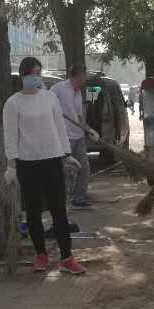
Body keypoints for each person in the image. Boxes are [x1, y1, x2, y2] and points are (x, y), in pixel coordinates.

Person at [4, 57, 87, 275]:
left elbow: (59, 128)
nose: (36, 78)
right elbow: (10, 136)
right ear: (23, 75)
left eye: (38, 73)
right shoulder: (13, 103)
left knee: (59, 210)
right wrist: (11, 165)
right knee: (33, 212)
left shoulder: (50, 98)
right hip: (27, 163)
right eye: (33, 73)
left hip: (52, 160)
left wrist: (66, 155)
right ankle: (40, 254)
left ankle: (66, 257)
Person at [52, 64, 95, 210]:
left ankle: (79, 197)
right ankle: (62, 200)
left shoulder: (79, 93)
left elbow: (79, 117)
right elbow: (47, 103)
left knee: (84, 167)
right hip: (64, 137)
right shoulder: (59, 88)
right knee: (67, 170)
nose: (86, 77)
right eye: (84, 74)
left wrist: (89, 130)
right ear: (77, 75)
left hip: (78, 136)